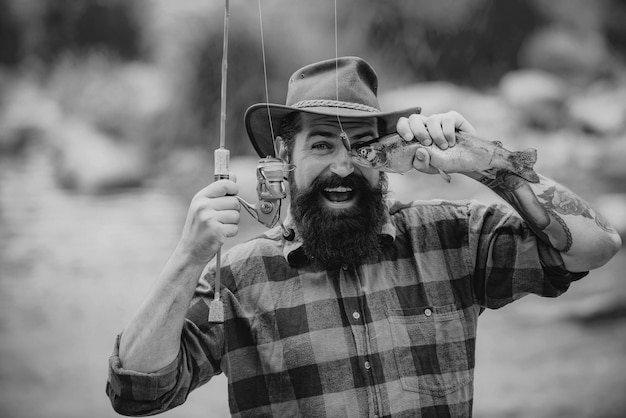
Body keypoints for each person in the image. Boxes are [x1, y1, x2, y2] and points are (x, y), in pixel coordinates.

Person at [106, 57, 621, 417]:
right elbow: (137, 391)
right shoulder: (236, 280)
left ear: (386, 157)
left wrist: (479, 158)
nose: (343, 166)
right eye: (323, 145)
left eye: (361, 145)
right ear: (285, 159)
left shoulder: (452, 237)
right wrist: (187, 257)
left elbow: (597, 246)